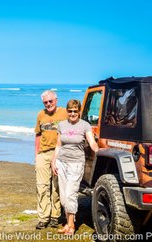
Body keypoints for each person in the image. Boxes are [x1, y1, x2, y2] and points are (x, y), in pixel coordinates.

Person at [51, 99, 99, 235]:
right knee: (64, 196)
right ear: (67, 111)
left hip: (76, 164)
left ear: (79, 112)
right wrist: (54, 161)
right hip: (61, 162)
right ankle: (68, 222)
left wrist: (97, 149)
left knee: (71, 194)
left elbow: (91, 142)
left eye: (75, 111)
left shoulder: (85, 125)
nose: (72, 113)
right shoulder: (61, 125)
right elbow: (59, 145)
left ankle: (71, 226)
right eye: (70, 111)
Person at [34, 90, 68, 229]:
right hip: (43, 153)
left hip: (59, 153)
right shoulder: (40, 114)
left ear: (56, 100)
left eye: (50, 101)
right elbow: (37, 134)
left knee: (56, 186)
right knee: (42, 186)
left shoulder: (65, 113)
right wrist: (37, 154)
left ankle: (55, 216)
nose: (48, 104)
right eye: (45, 102)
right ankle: (43, 217)